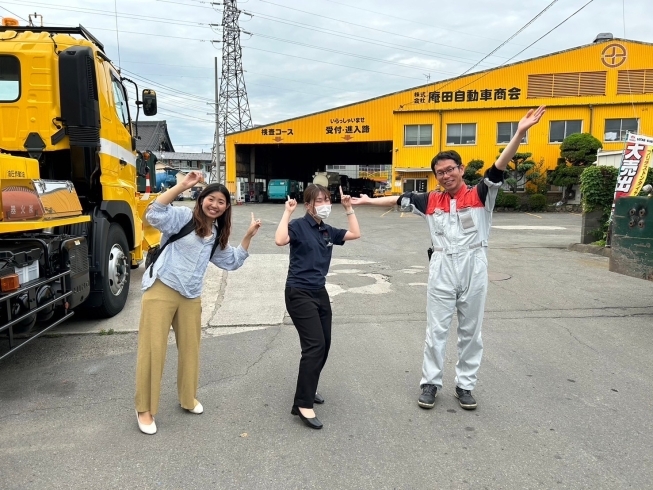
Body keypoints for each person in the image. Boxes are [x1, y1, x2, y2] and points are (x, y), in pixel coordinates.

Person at [351, 106, 546, 411]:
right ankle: (430, 383)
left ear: (461, 168)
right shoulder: (430, 200)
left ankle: (465, 385)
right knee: (436, 329)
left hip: (473, 264)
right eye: (440, 172)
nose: (445, 175)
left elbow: (499, 166)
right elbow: (400, 199)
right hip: (442, 265)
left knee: (471, 331)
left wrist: (520, 132)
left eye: (450, 169)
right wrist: (367, 201)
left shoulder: (482, 194)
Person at [134, 171, 261, 435]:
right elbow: (153, 213)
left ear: (226, 208)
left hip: (191, 296)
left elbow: (232, 261)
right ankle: (144, 409)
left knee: (191, 350)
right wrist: (182, 186)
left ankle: (187, 398)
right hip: (162, 289)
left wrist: (248, 236)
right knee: (153, 350)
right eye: (210, 199)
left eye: (221, 202)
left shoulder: (215, 234)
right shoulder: (182, 217)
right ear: (201, 199)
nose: (215, 205)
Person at [275, 185, 361, 429]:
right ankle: (303, 404)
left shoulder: (326, 230)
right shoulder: (299, 226)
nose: (324, 204)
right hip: (298, 292)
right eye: (318, 200)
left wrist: (349, 208)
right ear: (308, 205)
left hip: (319, 292)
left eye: (327, 199)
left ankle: (309, 388)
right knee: (314, 346)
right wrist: (287, 212)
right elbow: (280, 240)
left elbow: (355, 234)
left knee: (324, 344)